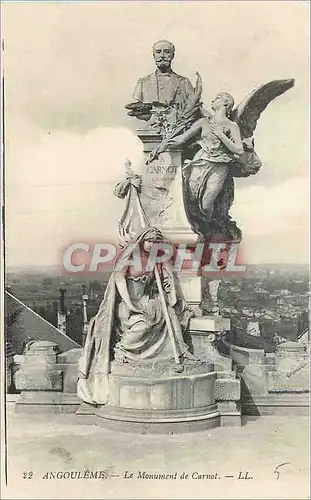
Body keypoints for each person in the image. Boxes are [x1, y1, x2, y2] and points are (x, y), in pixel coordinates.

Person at [77, 227, 195, 405]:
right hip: (126, 303)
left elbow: (168, 277)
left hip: (146, 300)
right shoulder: (131, 255)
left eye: (156, 242)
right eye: (149, 241)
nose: (152, 245)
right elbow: (118, 279)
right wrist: (131, 304)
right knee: (144, 324)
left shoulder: (156, 258)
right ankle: (123, 351)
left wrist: (170, 292)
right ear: (142, 241)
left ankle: (180, 349)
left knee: (169, 313)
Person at [167, 92, 244, 238]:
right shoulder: (204, 122)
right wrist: (164, 143)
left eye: (217, 98)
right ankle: (199, 230)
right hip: (200, 162)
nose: (213, 100)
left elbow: (239, 150)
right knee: (192, 198)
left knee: (207, 203)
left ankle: (206, 232)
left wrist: (222, 136)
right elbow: (182, 139)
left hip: (219, 166)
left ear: (225, 102)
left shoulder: (232, 125)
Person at [133, 40, 194, 111]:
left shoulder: (184, 82)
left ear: (172, 56)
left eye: (167, 52)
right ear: (154, 56)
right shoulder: (143, 83)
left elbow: (194, 107)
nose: (162, 56)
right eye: (158, 52)